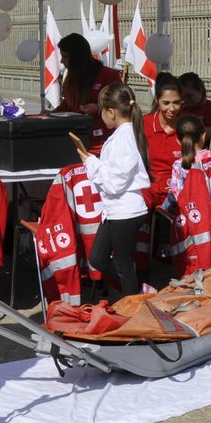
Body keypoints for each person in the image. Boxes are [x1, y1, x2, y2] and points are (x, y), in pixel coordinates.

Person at [71, 82, 150, 300]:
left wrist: (91, 163)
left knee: (123, 264)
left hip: (126, 210)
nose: (101, 117)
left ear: (111, 112)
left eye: (102, 112)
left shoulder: (124, 138)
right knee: (98, 258)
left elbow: (115, 181)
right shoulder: (122, 135)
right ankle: (134, 291)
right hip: (115, 210)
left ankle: (134, 303)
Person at [54, 33, 121, 152]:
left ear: (77, 57)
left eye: (65, 57)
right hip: (76, 142)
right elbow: (67, 104)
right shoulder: (71, 78)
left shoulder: (109, 75)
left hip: (102, 146)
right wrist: (48, 116)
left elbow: (121, 106)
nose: (62, 61)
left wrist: (98, 108)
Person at [142, 73, 185, 207]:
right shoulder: (143, 124)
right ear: (157, 100)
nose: (172, 109)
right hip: (149, 191)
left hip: (179, 193)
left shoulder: (187, 127)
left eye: (176, 102)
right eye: (166, 103)